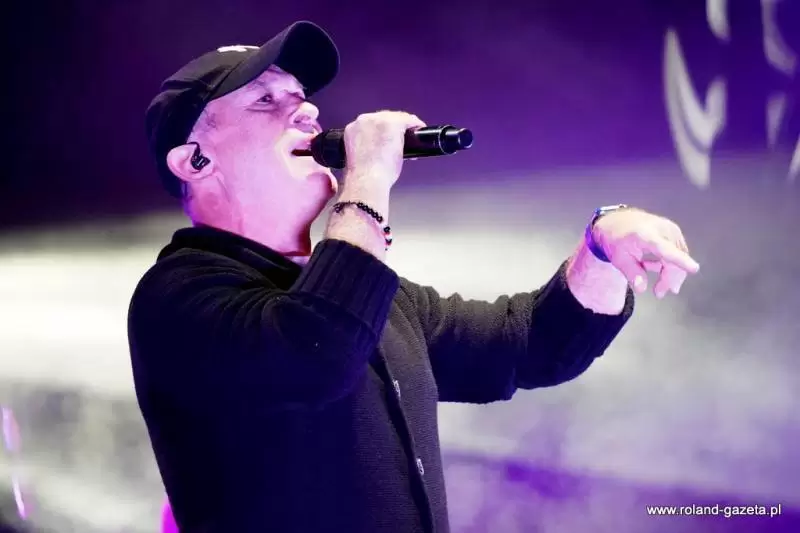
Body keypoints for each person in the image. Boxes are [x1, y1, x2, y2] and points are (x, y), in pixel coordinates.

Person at [130, 20, 699, 533]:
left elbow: (530, 343)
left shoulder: (377, 298)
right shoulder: (177, 295)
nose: (307, 112)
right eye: (265, 100)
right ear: (195, 160)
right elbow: (315, 350)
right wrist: (369, 181)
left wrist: (602, 244)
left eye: (302, 97)